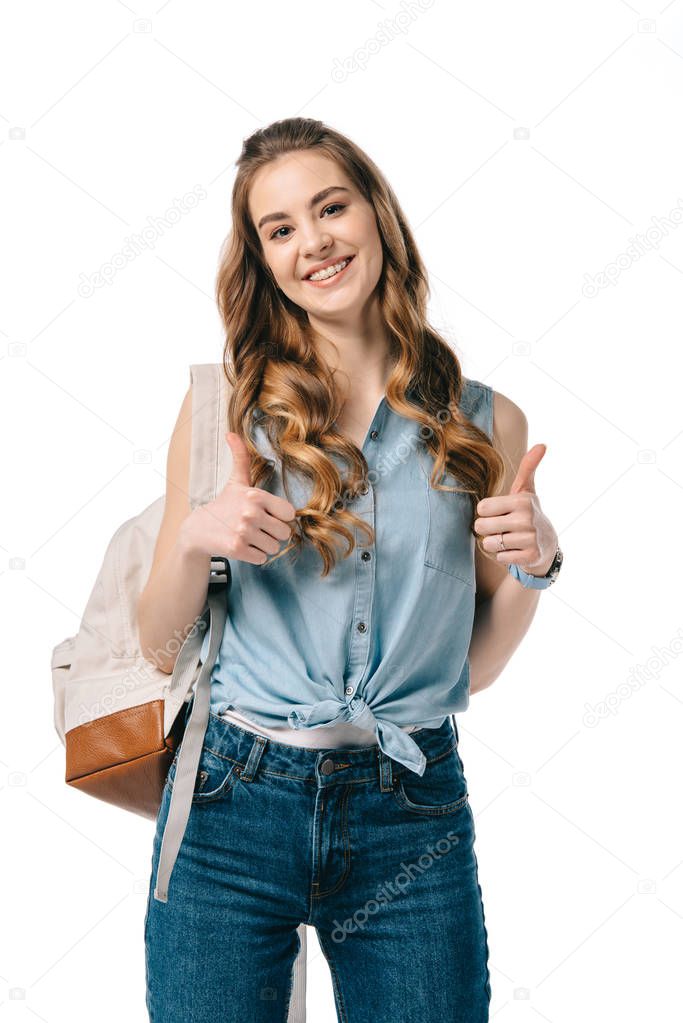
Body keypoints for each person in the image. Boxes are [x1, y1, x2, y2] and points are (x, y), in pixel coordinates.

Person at [139, 117, 562, 1023]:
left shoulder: (486, 424)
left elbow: (471, 669)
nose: (313, 242)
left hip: (408, 806)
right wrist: (193, 542)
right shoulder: (226, 410)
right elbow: (156, 642)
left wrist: (534, 567)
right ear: (261, 258)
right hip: (228, 801)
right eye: (280, 228)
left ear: (376, 215)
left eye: (330, 207)